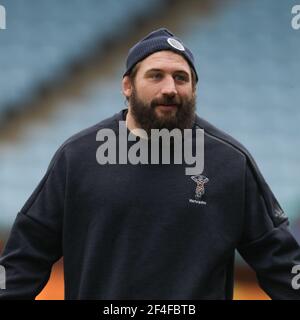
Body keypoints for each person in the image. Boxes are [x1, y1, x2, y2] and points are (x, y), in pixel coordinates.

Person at [0, 28, 300, 300]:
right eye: (155, 75)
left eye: (181, 77)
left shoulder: (230, 163)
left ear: (194, 89)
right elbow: (23, 261)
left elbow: (283, 265)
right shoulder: (77, 157)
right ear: (127, 86)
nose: (170, 87)